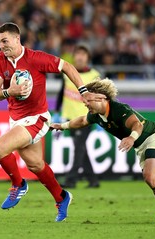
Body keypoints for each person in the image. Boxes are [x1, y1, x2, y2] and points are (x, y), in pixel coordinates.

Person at [0, 22, 105, 222]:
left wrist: (83, 91)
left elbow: (66, 66)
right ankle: (62, 197)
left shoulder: (35, 58)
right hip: (16, 119)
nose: (1, 46)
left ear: (17, 38)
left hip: (37, 118)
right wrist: (10, 91)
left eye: (5, 41)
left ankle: (18, 184)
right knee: (35, 165)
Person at [50, 78, 155, 222]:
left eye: (88, 100)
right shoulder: (96, 115)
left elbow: (137, 125)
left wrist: (131, 138)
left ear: (101, 98)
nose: (85, 104)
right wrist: (62, 126)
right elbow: (82, 120)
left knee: (149, 176)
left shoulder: (118, 109)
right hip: (140, 146)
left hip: (153, 137)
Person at [54, 44, 101, 188]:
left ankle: (71, 180)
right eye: (78, 54)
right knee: (81, 148)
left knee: (78, 147)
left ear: (88, 58)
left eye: (83, 54)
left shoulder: (94, 76)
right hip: (70, 117)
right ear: (74, 57)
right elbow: (62, 92)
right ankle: (93, 180)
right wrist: (57, 112)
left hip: (86, 117)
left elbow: (101, 97)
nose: (80, 57)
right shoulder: (68, 73)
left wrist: (101, 116)